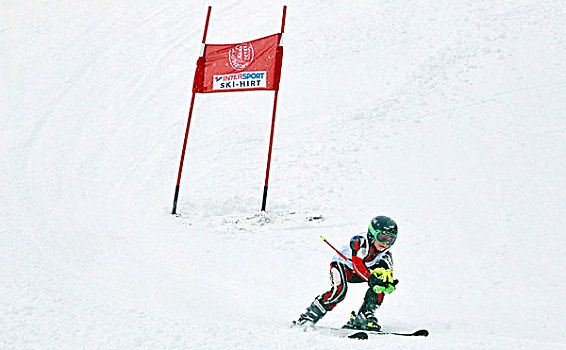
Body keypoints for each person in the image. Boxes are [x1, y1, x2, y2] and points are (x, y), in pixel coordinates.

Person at [292, 215, 398, 331]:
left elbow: (387, 274)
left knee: (380, 284)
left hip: (363, 272)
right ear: (372, 233)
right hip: (342, 266)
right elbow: (357, 265)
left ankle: (364, 316)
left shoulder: (386, 254)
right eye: (382, 237)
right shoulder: (360, 241)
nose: (385, 243)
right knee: (339, 291)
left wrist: (387, 284)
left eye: (390, 240)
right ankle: (308, 317)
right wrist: (371, 278)